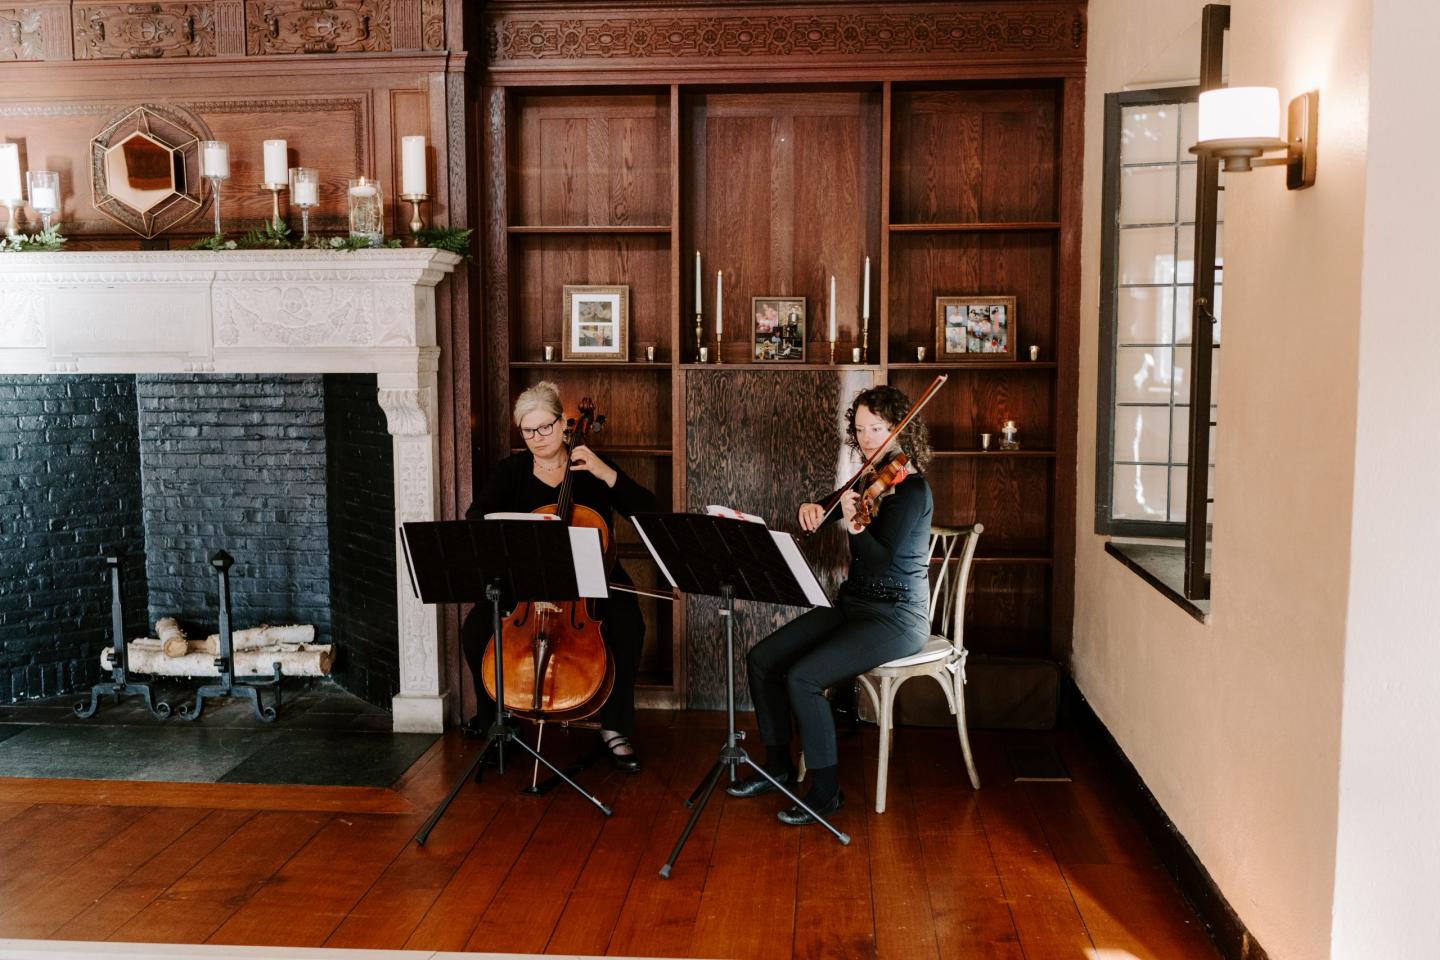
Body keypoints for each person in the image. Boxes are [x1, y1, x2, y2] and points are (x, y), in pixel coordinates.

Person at [726, 384, 934, 823]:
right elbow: (828, 509)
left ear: (900, 429)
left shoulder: (912, 491)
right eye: (859, 430)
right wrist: (814, 508)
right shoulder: (868, 481)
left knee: (802, 678)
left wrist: (856, 529)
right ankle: (780, 766)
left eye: (877, 428)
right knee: (763, 658)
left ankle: (824, 792)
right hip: (854, 606)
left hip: (897, 616)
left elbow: (877, 563)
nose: (868, 439)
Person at [460, 381, 656, 772]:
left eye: (544, 428)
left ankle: (614, 726)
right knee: (476, 628)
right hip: (526, 583)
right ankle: (497, 719)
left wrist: (606, 475)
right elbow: (475, 518)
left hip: (589, 581)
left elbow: (649, 511)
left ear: (563, 426)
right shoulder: (511, 471)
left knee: (627, 623)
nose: (537, 438)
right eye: (528, 431)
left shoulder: (592, 466)